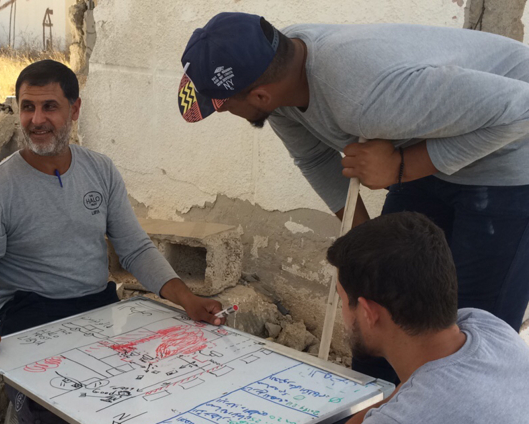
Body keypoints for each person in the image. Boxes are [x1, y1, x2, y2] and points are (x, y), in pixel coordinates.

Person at [177, 12, 529, 384]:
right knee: (381, 295)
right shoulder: (278, 73)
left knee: (474, 331)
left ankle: (459, 411)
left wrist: (403, 166)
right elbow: (315, 159)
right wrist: (365, 253)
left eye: (223, 105)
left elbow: (521, 109)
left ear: (260, 95)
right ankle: (378, 411)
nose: (227, 112)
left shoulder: (361, 94)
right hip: (431, 151)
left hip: (508, 160)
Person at [0, 60, 225, 424]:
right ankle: (24, 412)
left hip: (99, 308)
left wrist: (187, 300)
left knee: (172, 375)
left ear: (75, 110)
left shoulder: (100, 170)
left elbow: (135, 248)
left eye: (50, 107)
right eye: (27, 107)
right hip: (30, 314)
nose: (37, 120)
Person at [269, 212, 529, 424]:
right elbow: (398, 400)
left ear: (369, 313)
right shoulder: (487, 328)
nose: (343, 313)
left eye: (343, 300)